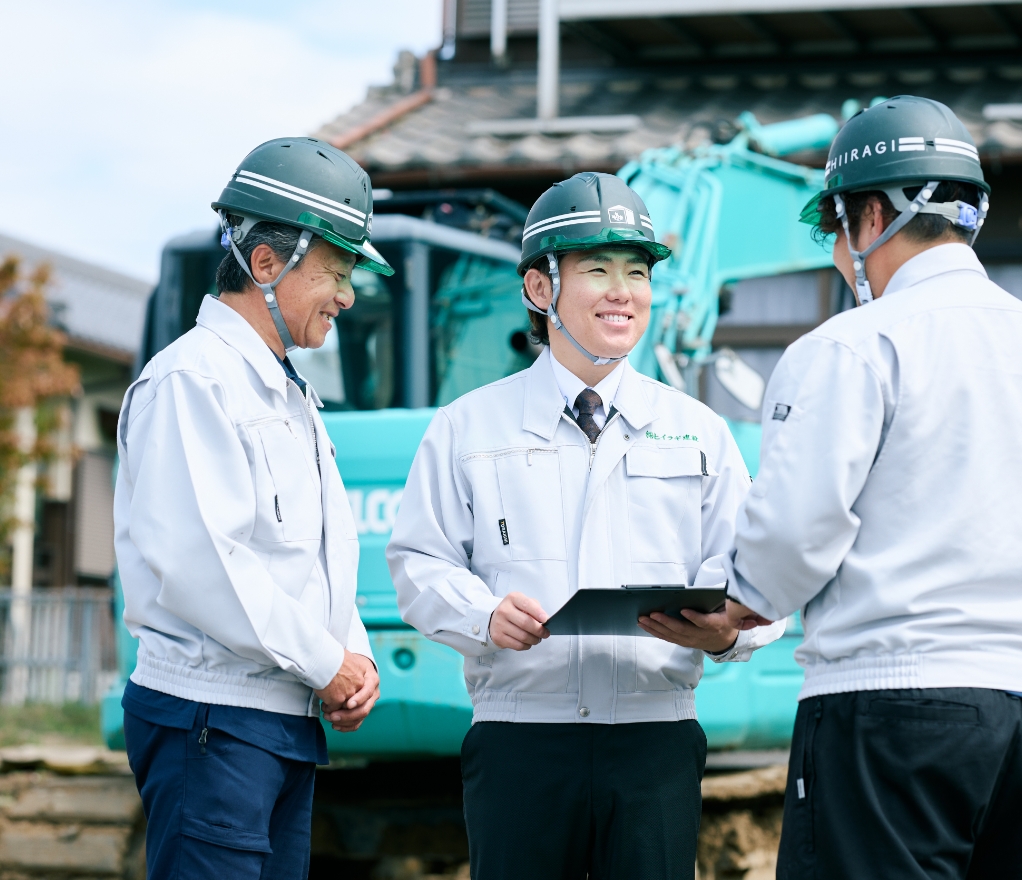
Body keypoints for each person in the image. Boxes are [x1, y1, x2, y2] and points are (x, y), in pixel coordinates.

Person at [386, 171, 785, 880]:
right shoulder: (468, 427)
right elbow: (419, 561)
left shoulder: (697, 431)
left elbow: (755, 572)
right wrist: (483, 615)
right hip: (520, 741)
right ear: (540, 289)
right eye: (597, 269)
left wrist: (731, 630)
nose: (623, 291)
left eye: (637, 272)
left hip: (654, 745)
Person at [723, 96, 1022, 879]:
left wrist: (731, 604)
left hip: (889, 702)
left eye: (834, 231)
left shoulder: (852, 346)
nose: (835, 254)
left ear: (871, 214)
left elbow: (791, 536)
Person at [113, 137, 391, 880]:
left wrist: (352, 653)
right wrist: (329, 662)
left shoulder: (290, 393)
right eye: (334, 272)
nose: (347, 294)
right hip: (213, 719)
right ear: (265, 263)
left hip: (275, 719)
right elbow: (204, 563)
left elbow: (316, 551)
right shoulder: (191, 382)